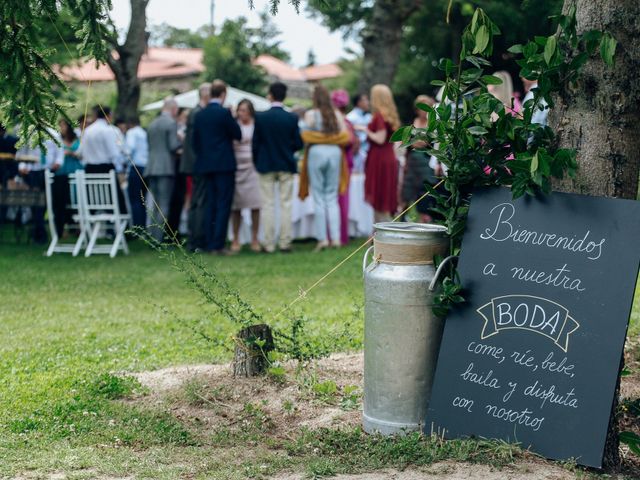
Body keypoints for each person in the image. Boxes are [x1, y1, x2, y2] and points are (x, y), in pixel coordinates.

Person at [252, 82, 303, 253]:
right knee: (286, 204)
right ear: (284, 96)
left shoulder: (260, 117)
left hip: (266, 164)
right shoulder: (292, 118)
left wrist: (257, 161)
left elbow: (255, 144)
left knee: (267, 205)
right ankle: (285, 242)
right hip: (286, 163)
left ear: (270, 95)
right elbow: (298, 143)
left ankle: (268, 243)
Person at [193, 80, 242, 254]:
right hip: (224, 164)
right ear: (223, 95)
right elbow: (238, 134)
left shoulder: (200, 115)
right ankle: (218, 244)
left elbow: (195, 142)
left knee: (209, 203)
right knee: (223, 204)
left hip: (206, 165)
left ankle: (207, 241)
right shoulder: (224, 113)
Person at [300, 86, 350, 251]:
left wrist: (318, 137)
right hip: (335, 153)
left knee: (319, 198)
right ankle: (335, 238)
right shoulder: (336, 115)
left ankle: (322, 239)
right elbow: (345, 136)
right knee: (331, 197)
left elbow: (304, 136)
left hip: (316, 153)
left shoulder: (311, 114)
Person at [16, 128, 65, 243]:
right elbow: (21, 153)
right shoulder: (28, 133)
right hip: (33, 171)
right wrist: (22, 167)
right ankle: (39, 232)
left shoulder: (54, 134)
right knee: (37, 204)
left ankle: (53, 231)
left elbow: (59, 152)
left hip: (50, 171)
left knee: (50, 202)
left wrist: (58, 163)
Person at [145, 97, 181, 242]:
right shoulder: (171, 123)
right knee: (164, 204)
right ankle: (158, 239)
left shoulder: (152, 124)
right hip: (165, 167)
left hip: (151, 167)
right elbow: (173, 146)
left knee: (155, 204)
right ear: (173, 109)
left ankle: (153, 235)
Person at [364, 84, 401, 223]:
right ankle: (379, 228)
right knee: (384, 193)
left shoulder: (379, 116)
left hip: (380, 158)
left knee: (379, 194)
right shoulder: (389, 115)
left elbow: (380, 139)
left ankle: (380, 228)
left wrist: (366, 130)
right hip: (388, 156)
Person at [80, 105, 127, 211]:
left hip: (90, 169)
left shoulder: (87, 130)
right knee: (117, 202)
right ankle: (115, 222)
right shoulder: (109, 130)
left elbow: (82, 151)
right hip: (106, 169)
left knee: (93, 199)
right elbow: (114, 153)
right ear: (108, 116)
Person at [230, 99, 262, 253]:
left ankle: (255, 238)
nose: (241, 113)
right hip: (237, 167)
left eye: (244, 110)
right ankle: (236, 239)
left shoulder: (257, 125)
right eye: (239, 110)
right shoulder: (234, 125)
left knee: (255, 204)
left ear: (250, 111)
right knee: (236, 206)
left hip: (253, 167)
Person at [183, 83, 211, 252]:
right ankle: (196, 239)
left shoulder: (195, 113)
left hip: (194, 164)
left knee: (196, 201)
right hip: (197, 165)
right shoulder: (197, 113)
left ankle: (195, 238)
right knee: (199, 202)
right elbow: (194, 143)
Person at [401, 95, 437, 223]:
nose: (424, 110)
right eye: (421, 107)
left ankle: (426, 219)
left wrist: (422, 143)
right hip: (412, 161)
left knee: (425, 191)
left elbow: (433, 142)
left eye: (427, 106)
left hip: (427, 161)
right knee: (408, 190)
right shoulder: (413, 121)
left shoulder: (433, 122)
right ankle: (403, 218)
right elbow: (406, 142)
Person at [331, 89, 358, 246]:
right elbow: (353, 143)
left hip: (339, 162)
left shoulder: (335, 122)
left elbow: (349, 141)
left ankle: (334, 235)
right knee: (341, 199)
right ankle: (341, 235)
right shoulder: (347, 122)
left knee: (334, 198)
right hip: (344, 162)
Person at [51, 119, 83, 237]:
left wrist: (71, 153)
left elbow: (82, 154)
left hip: (76, 170)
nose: (61, 128)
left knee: (77, 199)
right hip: (62, 171)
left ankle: (80, 227)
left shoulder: (77, 139)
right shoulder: (57, 139)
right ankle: (63, 228)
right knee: (63, 200)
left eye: (63, 126)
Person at [125, 117, 149, 229]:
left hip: (135, 167)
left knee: (135, 198)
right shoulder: (144, 133)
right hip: (146, 167)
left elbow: (129, 149)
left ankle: (137, 226)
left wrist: (123, 158)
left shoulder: (132, 133)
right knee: (143, 198)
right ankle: (143, 224)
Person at [346, 93, 372, 173]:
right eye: (365, 100)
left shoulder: (370, 117)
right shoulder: (350, 117)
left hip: (369, 152)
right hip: (356, 154)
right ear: (359, 103)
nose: (368, 102)